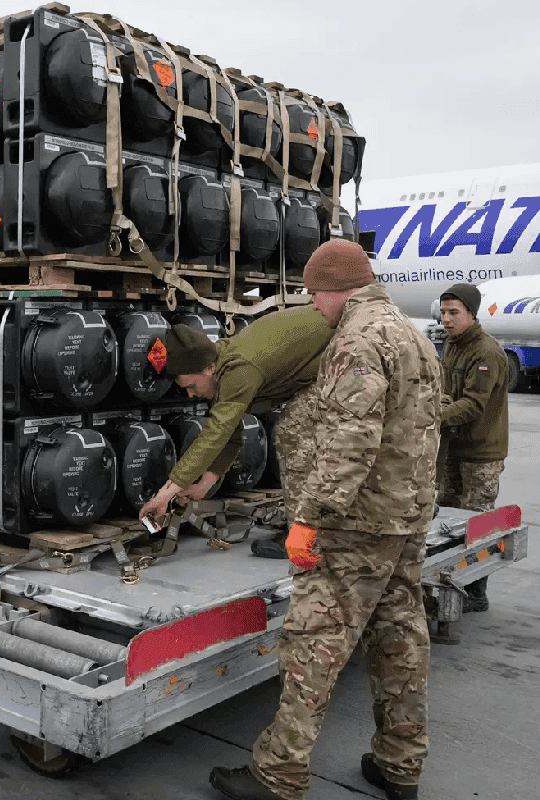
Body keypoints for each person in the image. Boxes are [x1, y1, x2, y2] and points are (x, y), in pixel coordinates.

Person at [209, 239, 441, 800]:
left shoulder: (358, 339)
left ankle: (279, 775)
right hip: (406, 518)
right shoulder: (414, 334)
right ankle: (399, 764)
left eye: (315, 297)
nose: (314, 309)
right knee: (400, 639)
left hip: (355, 524)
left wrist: (310, 517)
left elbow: (350, 438)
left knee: (313, 645)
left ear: (336, 289)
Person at [138, 306, 334, 559]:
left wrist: (166, 493)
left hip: (348, 354)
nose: (191, 395)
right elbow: (230, 432)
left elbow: (216, 433)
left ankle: (305, 541)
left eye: (190, 386)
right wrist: (203, 485)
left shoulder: (239, 368)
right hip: (325, 364)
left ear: (208, 368)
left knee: (293, 434)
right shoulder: (221, 367)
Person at [436, 283, 509, 612]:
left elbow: (472, 405)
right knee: (448, 521)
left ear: (472, 314)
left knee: (475, 525)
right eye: (443, 312)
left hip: (481, 453)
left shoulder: (485, 351)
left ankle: (476, 593)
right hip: (454, 447)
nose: (446, 319)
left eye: (454, 313)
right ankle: (449, 583)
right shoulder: (453, 345)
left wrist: (430, 415)